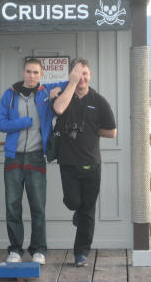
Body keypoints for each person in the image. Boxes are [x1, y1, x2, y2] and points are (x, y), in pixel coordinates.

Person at [0, 58, 66, 265]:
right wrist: (23, 123)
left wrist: (58, 92)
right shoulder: (9, 95)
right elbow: (1, 124)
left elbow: (70, 83)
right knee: (12, 206)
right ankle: (15, 250)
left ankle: (39, 250)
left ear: (41, 74)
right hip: (13, 157)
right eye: (29, 71)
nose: (32, 76)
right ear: (23, 72)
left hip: (37, 157)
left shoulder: (46, 92)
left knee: (38, 206)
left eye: (36, 72)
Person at [53, 58, 117, 267]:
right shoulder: (63, 95)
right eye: (78, 73)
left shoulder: (98, 101)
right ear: (72, 75)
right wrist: (69, 85)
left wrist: (91, 130)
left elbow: (112, 131)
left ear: (90, 75)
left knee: (88, 209)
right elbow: (59, 110)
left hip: (91, 163)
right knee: (73, 202)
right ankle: (76, 212)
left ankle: (81, 253)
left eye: (85, 73)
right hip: (68, 162)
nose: (82, 77)